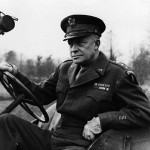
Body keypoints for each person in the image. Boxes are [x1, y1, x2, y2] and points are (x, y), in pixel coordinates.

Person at [0, 14, 150, 150]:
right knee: (6, 121)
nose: (74, 49)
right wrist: (15, 74)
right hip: (54, 138)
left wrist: (101, 121)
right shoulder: (65, 68)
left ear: (96, 44)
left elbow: (143, 112)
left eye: (81, 43)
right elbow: (40, 95)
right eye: (70, 44)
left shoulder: (116, 73)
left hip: (83, 144)